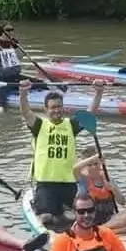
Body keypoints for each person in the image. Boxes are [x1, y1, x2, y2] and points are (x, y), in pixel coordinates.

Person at [20, 83, 106, 237]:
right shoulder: (39, 125)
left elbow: (90, 113)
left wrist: (99, 93)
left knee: (70, 217)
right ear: (46, 109)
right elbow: (26, 112)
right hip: (46, 183)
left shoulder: (71, 125)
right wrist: (23, 94)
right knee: (47, 218)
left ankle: (75, 237)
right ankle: (50, 237)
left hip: (68, 182)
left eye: (59, 107)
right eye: (52, 107)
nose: (56, 110)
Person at [74, 153, 126, 233]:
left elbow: (122, 202)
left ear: (100, 164)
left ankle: (99, 230)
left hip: (108, 219)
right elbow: (75, 169)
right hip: (89, 218)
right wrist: (95, 157)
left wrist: (113, 189)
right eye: (90, 165)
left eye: (96, 164)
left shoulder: (107, 178)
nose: (93, 167)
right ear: (85, 166)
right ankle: (112, 230)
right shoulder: (83, 179)